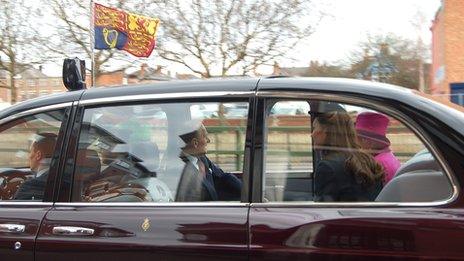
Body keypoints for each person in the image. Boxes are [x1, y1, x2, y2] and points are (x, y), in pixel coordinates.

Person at [312, 112, 384, 202]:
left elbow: (323, 209)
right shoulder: (369, 160)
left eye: (315, 128)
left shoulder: (327, 167)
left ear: (326, 131)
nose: (312, 134)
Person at [175, 121, 242, 202]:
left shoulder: (202, 158)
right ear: (195, 143)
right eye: (205, 137)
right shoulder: (180, 169)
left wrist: (245, 191)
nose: (208, 140)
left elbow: (222, 176)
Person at [355, 112, 401, 184]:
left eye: (357, 139)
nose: (356, 144)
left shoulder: (377, 165)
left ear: (366, 141)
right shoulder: (388, 156)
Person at [14, 133, 57, 200]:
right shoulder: (64, 176)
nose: (29, 156)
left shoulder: (30, 186)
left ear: (38, 155)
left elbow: (13, 209)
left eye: (30, 152)